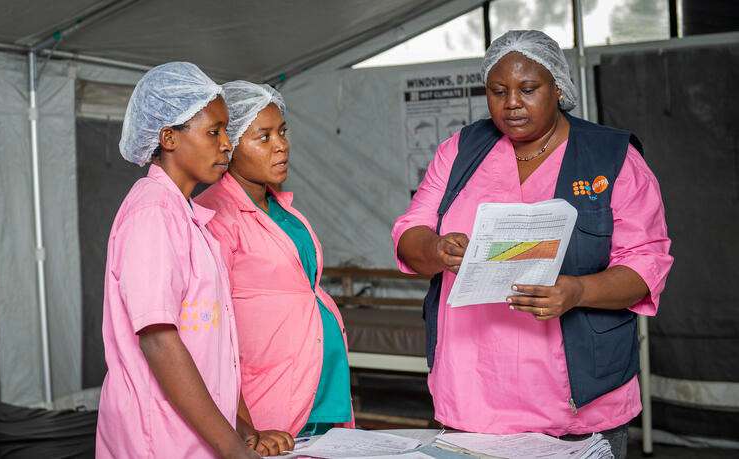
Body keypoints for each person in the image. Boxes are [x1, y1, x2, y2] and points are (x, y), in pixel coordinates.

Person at [392, 31, 673, 458]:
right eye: (497, 91)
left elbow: (647, 262)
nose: (511, 104)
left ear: (557, 87)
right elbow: (410, 231)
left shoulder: (610, 157)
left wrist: (577, 290)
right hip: (475, 391)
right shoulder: (460, 151)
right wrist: (436, 249)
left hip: (575, 402)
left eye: (527, 89)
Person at [96, 62, 260, 459]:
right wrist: (231, 447)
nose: (227, 144)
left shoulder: (184, 214)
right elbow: (159, 340)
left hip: (193, 435)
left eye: (226, 131)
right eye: (213, 131)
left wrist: (235, 425)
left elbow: (203, 340)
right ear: (168, 137)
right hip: (158, 438)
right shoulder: (152, 212)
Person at [196, 81, 353, 440]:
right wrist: (244, 427)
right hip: (267, 398)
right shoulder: (214, 215)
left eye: (282, 132)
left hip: (321, 385)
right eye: (263, 137)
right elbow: (211, 335)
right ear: (229, 144)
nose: (281, 145)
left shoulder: (283, 209)